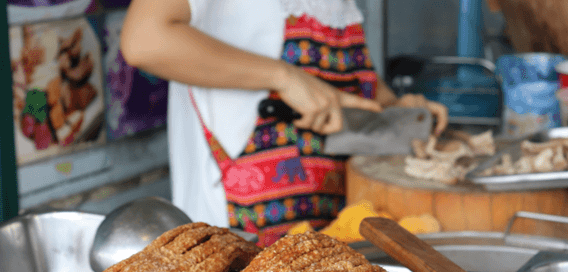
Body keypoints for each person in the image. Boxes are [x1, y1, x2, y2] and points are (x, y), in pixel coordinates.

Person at [121, 0, 448, 247]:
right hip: (239, 232)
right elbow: (145, 39)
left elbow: (337, 80)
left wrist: (393, 107)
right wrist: (285, 78)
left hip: (334, 231)